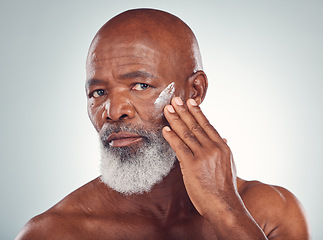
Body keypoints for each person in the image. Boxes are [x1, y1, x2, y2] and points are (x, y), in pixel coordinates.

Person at [16, 8, 310, 240]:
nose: (113, 111)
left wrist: (227, 212)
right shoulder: (52, 233)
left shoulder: (271, 212)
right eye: (98, 93)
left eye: (141, 85)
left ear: (194, 91)